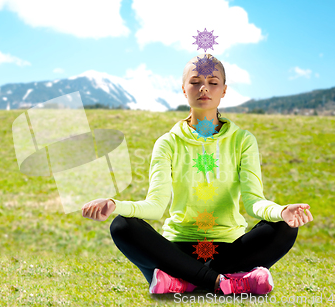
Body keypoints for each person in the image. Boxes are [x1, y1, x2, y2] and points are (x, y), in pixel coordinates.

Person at [81, 53, 313, 295]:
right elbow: (155, 205)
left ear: (224, 90)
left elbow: (254, 202)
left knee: (285, 228)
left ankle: (184, 281)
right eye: (195, 82)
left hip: (229, 249)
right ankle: (226, 281)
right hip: (178, 251)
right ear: (184, 89)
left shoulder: (243, 140)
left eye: (213, 82)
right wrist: (113, 204)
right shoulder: (167, 143)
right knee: (121, 226)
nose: (204, 88)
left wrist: (281, 211)